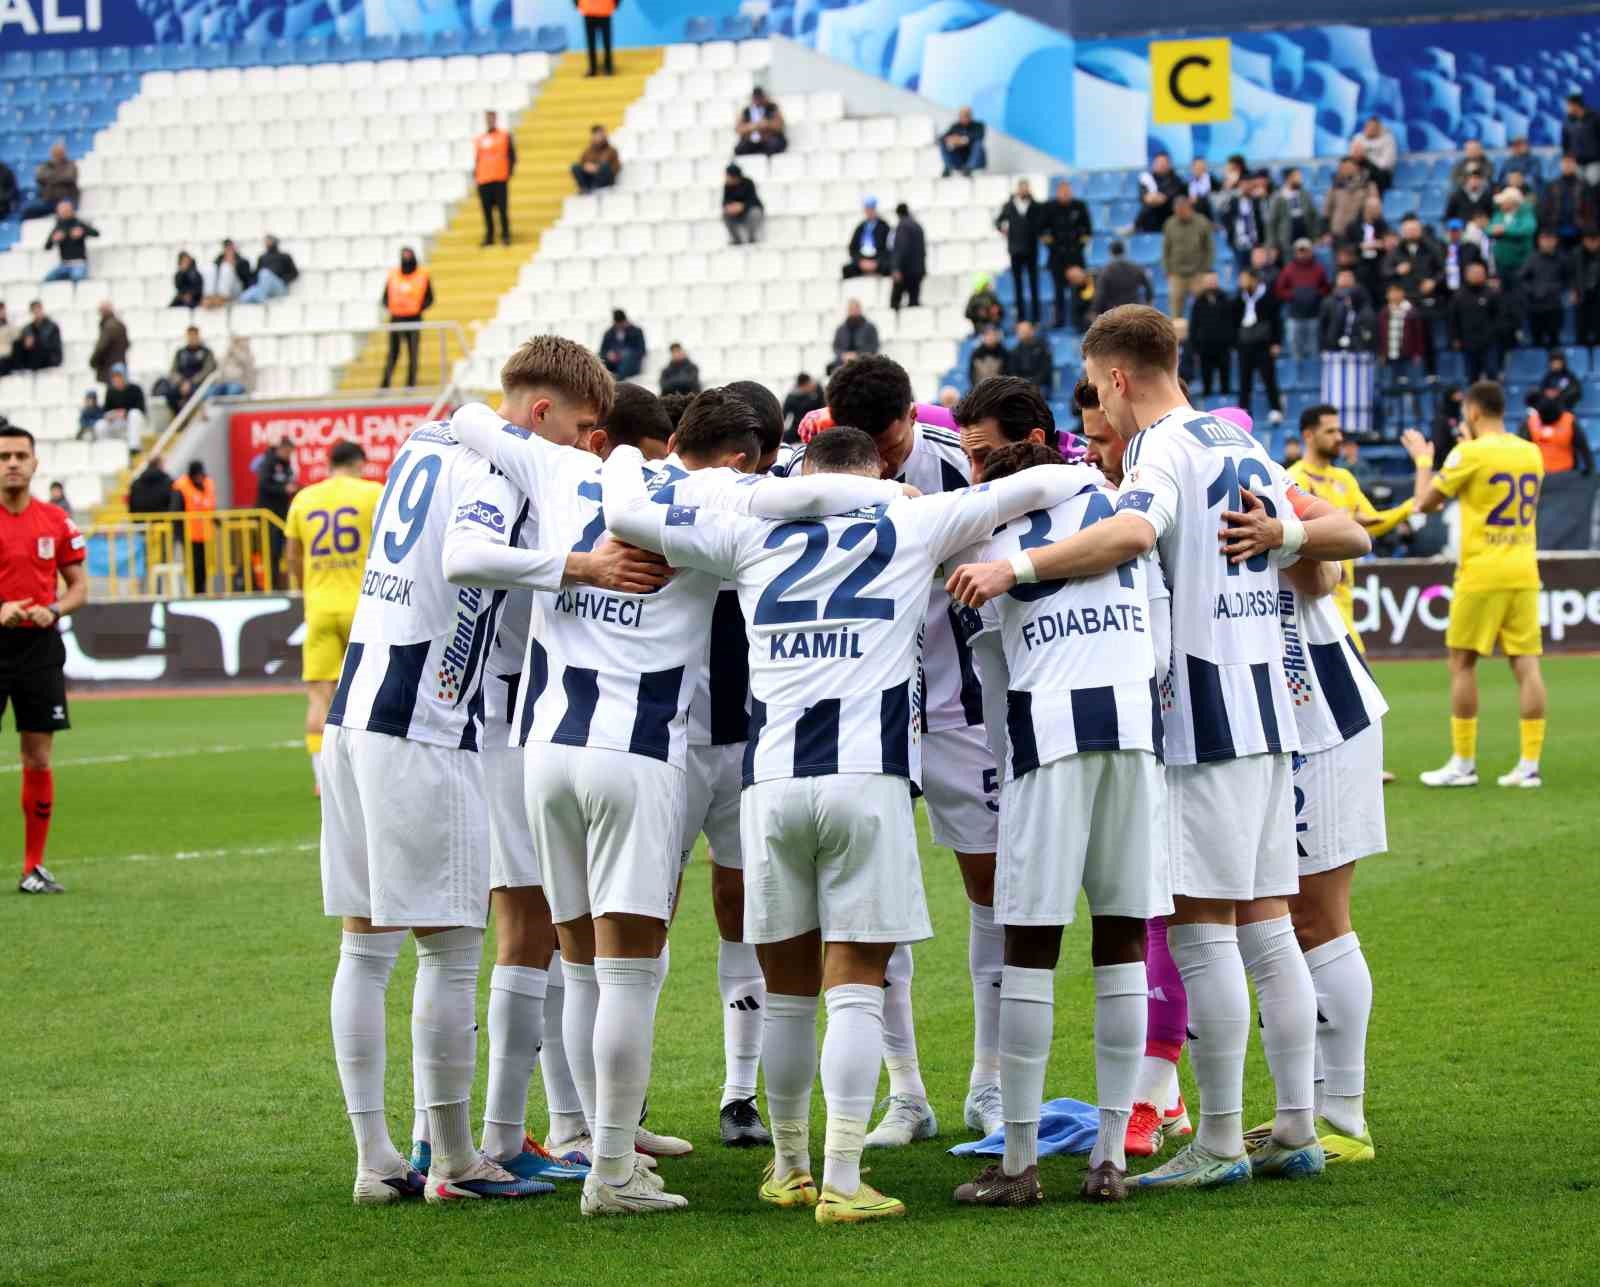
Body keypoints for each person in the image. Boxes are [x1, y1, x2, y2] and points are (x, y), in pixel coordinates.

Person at [602, 424, 1084, 1222]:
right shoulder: (911, 518)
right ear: (874, 472)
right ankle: (844, 1175)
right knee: (855, 981)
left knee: (788, 990)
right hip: (868, 776)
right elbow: (1044, 486)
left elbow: (626, 514)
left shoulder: (747, 527)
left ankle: (790, 1165)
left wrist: (621, 452)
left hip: (772, 780)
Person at [453, 374, 903, 1215]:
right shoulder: (726, 498)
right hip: (638, 752)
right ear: (741, 453)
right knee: (628, 972)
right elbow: (826, 502)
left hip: (544, 748)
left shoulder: (565, 469)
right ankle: (611, 1169)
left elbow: (474, 419)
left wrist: (583, 516)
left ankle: (589, 1134)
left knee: (580, 959)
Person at [945, 304, 1370, 1193]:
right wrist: (1286, 535)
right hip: (1267, 715)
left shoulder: (1162, 448)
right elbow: (1346, 536)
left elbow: (1134, 533)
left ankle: (1217, 1139)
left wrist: (1017, 567)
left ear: (1114, 378)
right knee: (1264, 924)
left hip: (1199, 715)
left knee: (1205, 929)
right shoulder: (1237, 439)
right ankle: (1296, 1123)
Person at [320, 392, 579, 1210]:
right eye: (572, 435)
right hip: (423, 725)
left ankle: (376, 1157)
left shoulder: (422, 445)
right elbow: (468, 556)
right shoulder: (497, 467)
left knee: (364, 949)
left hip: (352, 712)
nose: (573, 452)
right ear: (540, 414)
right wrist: (577, 565)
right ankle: (457, 1157)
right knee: (451, 949)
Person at [948, 436, 1170, 1206]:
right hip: (1136, 736)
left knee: (1031, 943)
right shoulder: (1113, 511)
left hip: (1050, 739)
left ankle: (1017, 1163)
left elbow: (994, 682)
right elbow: (1159, 644)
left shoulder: (991, 544)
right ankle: (1110, 1156)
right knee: (1121, 938)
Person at [1402, 381, 1547, 789]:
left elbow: (1425, 504)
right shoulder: (1530, 452)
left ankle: (1463, 764)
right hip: (1523, 567)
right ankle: (1529, 766)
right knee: (1527, 664)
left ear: (1473, 412)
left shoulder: (1469, 453)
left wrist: (1423, 462)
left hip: (1482, 571)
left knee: (1462, 663)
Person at [0, 424, 87, 895]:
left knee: (37, 756)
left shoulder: (56, 522)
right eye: (4, 456)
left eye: (20, 455)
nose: (12, 463)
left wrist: (50, 608)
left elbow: (79, 588)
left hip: (39, 647)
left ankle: (33, 867)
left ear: (35, 463)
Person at [284, 441, 383, 795]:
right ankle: (368, 775)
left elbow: (293, 555)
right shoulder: (373, 493)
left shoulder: (304, 499)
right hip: (366, 606)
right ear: (358, 463)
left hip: (321, 607)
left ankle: (322, 778)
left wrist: (308, 588)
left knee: (319, 698)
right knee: (371, 692)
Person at [1288, 405, 1413, 646]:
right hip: (1317, 599)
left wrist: (1410, 507)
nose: (1339, 437)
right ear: (1308, 436)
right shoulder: (1294, 480)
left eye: (1339, 431)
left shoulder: (1344, 478)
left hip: (1345, 596)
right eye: (1330, 431)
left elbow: (1371, 524)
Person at [1234, 268, 1284, 426]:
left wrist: (1276, 342)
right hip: (1245, 344)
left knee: (1269, 378)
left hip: (1264, 344)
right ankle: (1244, 412)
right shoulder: (1239, 298)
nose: (1241, 282)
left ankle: (1276, 409)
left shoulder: (1269, 297)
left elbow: (1277, 321)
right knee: (1244, 380)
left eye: (1244, 278)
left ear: (1254, 279)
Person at [1041, 179, 1092, 330]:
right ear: (1057, 193)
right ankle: (1059, 320)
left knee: (1079, 290)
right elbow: (1043, 232)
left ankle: (1079, 320)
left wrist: (1078, 249)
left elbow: (1088, 230)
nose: (1065, 194)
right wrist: (1056, 250)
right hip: (1057, 258)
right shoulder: (1049, 207)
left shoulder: (1079, 206)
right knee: (1058, 291)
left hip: (1076, 257)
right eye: (1062, 192)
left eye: (1067, 191)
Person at [380, 247, 431, 389]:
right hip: (396, 319)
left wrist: (417, 308)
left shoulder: (422, 275)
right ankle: (385, 384)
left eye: (409, 255)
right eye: (404, 255)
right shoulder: (393, 275)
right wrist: (393, 307)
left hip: (414, 319)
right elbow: (385, 297)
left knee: (413, 352)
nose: (406, 258)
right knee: (393, 352)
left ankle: (410, 383)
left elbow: (429, 298)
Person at [993, 181, 1043, 327]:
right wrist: (1003, 230)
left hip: (1031, 249)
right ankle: (1021, 317)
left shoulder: (1035, 205)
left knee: (1034, 284)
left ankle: (1035, 317)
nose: (1024, 190)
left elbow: (1041, 222)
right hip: (1015, 250)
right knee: (1018, 284)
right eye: (1022, 188)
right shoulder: (1009, 205)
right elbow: (998, 222)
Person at [1448, 260, 1505, 383]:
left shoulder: (1492, 294)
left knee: (1492, 372)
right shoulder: (1459, 296)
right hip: (1468, 342)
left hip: (1489, 342)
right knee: (1471, 375)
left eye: (1480, 272)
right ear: (1466, 275)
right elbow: (1453, 319)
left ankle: (1493, 400)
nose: (1477, 275)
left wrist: (1494, 334)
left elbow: (1499, 317)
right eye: (1474, 273)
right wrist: (1455, 338)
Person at [1274, 237, 1332, 360]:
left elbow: (1326, 288)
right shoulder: (1288, 269)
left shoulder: (1318, 269)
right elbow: (1279, 290)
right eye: (1300, 251)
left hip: (1313, 315)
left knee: (1314, 350)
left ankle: (1313, 377)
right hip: (1294, 316)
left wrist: (1315, 294)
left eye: (1305, 250)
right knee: (1295, 352)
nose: (1303, 254)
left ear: (1311, 251)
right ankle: (1296, 378)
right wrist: (1294, 295)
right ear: (1295, 252)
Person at [1161, 194, 1214, 321]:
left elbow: (1209, 248)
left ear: (1189, 208)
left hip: (1197, 273)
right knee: (1175, 310)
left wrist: (1206, 269)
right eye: (1177, 211)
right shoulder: (1169, 224)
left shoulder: (1202, 222)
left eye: (1182, 211)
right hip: (1177, 274)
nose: (1179, 214)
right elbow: (1166, 248)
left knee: (1202, 308)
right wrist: (1167, 269)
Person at [1520, 229, 1574, 349]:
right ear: (1539, 241)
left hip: (1554, 305)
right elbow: (1522, 278)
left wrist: (1557, 289)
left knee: (1554, 340)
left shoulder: (1562, 259)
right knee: (1536, 341)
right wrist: (1532, 290)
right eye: (1544, 239)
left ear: (1556, 241)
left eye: (1550, 239)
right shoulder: (1532, 258)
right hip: (1535, 306)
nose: (1547, 242)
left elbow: (1569, 278)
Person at [256, 436, 297, 587]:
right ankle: (271, 585)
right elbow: (264, 485)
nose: (289, 455)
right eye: (288, 451)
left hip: (282, 514)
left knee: (281, 552)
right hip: (269, 515)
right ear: (282, 449)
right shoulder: (268, 462)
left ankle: (280, 583)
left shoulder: (287, 465)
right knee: (271, 552)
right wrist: (283, 489)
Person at [172, 460, 216, 595]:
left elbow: (209, 507)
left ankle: (202, 591)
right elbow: (176, 512)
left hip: (205, 534)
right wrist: (179, 534)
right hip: (189, 535)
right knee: (192, 567)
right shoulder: (181, 487)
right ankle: (194, 592)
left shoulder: (208, 484)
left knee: (204, 566)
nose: (200, 478)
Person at [1522, 394, 1594, 478]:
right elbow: (1522, 448)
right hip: (1540, 475)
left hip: (1566, 474)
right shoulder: (1531, 422)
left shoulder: (1569, 421)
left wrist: (1590, 469)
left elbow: (1584, 448)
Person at [1188, 272, 1236, 396]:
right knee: (1206, 376)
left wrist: (1231, 341)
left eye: (1213, 280)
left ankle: (1226, 397)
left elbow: (1232, 322)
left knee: (1225, 375)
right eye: (1209, 280)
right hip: (1205, 346)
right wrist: (1195, 345)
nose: (1211, 283)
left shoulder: (1226, 299)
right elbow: (1194, 325)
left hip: (1223, 345)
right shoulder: (1198, 302)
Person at [474, 112, 516, 247]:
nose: (489, 120)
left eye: (491, 118)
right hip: (484, 178)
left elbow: (511, 155)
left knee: (502, 209)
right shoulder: (480, 138)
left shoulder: (504, 135)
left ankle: (505, 235)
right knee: (486, 210)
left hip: (499, 177)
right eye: (487, 118)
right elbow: (478, 158)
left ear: (495, 118)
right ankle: (489, 236)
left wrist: (508, 173)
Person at [1538, 154, 1597, 250]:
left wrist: (1587, 227)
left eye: (1570, 162)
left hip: (1579, 231)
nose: (1567, 165)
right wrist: (1548, 228)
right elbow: (1544, 208)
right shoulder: (1552, 186)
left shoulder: (1584, 185)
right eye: (1565, 162)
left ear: (1575, 165)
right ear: (1560, 165)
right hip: (1556, 230)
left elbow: (1590, 209)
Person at [1267, 167, 1322, 261]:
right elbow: (1272, 222)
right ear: (1289, 178)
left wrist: (1316, 235)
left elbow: (1314, 215)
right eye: (1297, 176)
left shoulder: (1305, 194)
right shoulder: (1278, 197)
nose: (1300, 179)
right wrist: (1273, 245)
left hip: (1306, 235)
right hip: (1287, 238)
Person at [1377, 281, 1426, 385]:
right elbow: (1380, 335)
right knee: (1390, 386)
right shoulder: (1384, 313)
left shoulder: (1412, 312)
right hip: (1389, 355)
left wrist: (1417, 353)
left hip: (1408, 355)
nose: (1394, 295)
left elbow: (1419, 335)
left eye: (1396, 292)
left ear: (1402, 293)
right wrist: (1382, 353)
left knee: (1412, 385)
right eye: (1391, 292)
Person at [161, 325, 215, 413]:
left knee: (196, 395)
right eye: (190, 336)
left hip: (198, 384)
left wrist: (191, 382)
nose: (192, 338)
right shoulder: (180, 353)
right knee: (169, 393)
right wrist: (181, 382)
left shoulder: (206, 352)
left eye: (194, 336)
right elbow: (173, 371)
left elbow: (207, 370)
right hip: (181, 384)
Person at [1488, 187, 1536, 282]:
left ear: (1512, 202)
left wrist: (1505, 230)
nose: (1500, 204)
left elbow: (1527, 229)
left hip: (1520, 262)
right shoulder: (1498, 214)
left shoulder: (1526, 214)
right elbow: (1490, 228)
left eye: (1504, 201)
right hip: (1501, 262)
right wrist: (1492, 230)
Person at [19, 141, 78, 220]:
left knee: (64, 210)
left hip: (65, 199)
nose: (57, 154)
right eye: (55, 152)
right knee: (27, 210)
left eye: (59, 152)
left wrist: (49, 177)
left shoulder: (70, 165)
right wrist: (57, 177)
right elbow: (39, 177)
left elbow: (68, 177)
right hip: (48, 200)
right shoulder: (46, 165)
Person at [42, 200, 97, 283]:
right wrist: (53, 240)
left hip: (79, 263)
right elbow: (47, 247)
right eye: (62, 210)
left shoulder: (78, 223)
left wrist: (83, 232)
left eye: (66, 209)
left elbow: (96, 233)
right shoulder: (58, 227)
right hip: (64, 264)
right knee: (47, 280)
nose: (64, 212)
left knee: (77, 279)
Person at [1093, 240, 1152, 317]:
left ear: (1110, 252)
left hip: (1114, 312)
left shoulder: (1106, 271)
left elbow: (1100, 295)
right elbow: (1149, 286)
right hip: (1134, 311)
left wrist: (1095, 310)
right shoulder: (1136, 267)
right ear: (1125, 251)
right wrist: (1148, 302)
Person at [1321, 159, 1370, 247]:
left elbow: (1370, 210)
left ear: (1356, 168)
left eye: (1348, 166)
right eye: (1343, 167)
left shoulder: (1366, 186)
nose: (1346, 169)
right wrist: (1326, 232)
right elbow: (1326, 212)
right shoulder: (1335, 187)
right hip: (1337, 233)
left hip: (1357, 232)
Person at [98, 365, 148, 450]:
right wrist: (110, 415)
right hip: (119, 421)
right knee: (100, 425)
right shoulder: (110, 391)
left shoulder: (135, 389)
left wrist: (125, 413)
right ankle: (107, 449)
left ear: (124, 376)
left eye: (119, 376)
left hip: (135, 421)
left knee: (134, 414)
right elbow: (106, 410)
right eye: (114, 377)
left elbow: (141, 409)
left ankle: (134, 448)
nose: (116, 379)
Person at [239, 235, 299, 303]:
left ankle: (261, 299)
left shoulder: (284, 256)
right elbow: (256, 274)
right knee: (244, 297)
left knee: (265, 273)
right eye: (266, 241)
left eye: (269, 241)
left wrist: (284, 280)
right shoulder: (262, 257)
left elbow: (294, 273)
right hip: (263, 287)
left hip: (279, 287)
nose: (267, 243)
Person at [889, 203, 926, 312]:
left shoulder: (902, 227)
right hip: (918, 271)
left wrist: (896, 268)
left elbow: (901, 248)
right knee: (914, 303)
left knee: (894, 303)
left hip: (906, 271)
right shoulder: (918, 226)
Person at [843, 198, 891, 279]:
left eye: (871, 209)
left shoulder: (884, 227)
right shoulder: (860, 227)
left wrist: (876, 262)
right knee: (847, 269)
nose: (869, 212)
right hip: (862, 260)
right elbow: (853, 248)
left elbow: (888, 247)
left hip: (878, 260)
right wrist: (860, 261)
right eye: (867, 209)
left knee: (888, 268)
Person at [1135, 152, 1183, 232]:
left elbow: (1165, 198)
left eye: (1163, 163)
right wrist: (1152, 198)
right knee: (1148, 208)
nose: (1161, 165)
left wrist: (1154, 198)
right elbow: (1145, 198)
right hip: (1150, 219)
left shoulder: (1176, 180)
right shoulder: (1147, 179)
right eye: (1159, 162)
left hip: (1169, 215)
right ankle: (1136, 227)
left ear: (1169, 164)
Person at [9, 301, 62, 374]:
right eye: (34, 310)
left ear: (42, 309)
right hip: (34, 355)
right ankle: (18, 369)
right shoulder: (28, 328)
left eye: (38, 309)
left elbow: (53, 345)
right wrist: (26, 343)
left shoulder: (52, 326)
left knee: (38, 347)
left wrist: (35, 341)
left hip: (49, 356)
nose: (36, 312)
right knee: (17, 344)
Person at [829, 299, 879, 372]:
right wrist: (843, 355)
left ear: (860, 309)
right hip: (843, 362)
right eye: (851, 309)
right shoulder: (841, 328)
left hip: (864, 361)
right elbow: (836, 347)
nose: (853, 311)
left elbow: (874, 346)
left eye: (855, 308)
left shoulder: (870, 328)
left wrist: (857, 355)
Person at [734, 87, 786, 156]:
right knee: (740, 148)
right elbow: (739, 129)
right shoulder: (746, 111)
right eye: (756, 98)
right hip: (751, 141)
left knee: (774, 145)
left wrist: (767, 124)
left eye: (760, 97)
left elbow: (779, 125)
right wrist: (752, 126)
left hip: (768, 140)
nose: (758, 100)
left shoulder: (772, 108)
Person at [1562, 93, 1600, 185]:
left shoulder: (1594, 118)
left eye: (1569, 105)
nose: (1567, 108)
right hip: (1576, 163)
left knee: (1593, 189)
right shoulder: (1567, 121)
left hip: (1594, 162)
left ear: (1576, 105)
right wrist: (1568, 158)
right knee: (1579, 190)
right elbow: (1565, 143)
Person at [1007, 319, 1053, 395]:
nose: (1023, 333)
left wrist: (1033, 383)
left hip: (1039, 384)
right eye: (1020, 331)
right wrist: (1021, 383)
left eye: (1025, 330)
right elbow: (1012, 371)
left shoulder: (1042, 349)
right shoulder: (1014, 351)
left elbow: (1045, 370)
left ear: (1032, 331)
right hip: (1019, 384)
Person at [722, 164, 764, 245]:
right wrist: (730, 208)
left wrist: (742, 206)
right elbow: (725, 202)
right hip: (735, 214)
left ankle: (752, 237)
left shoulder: (748, 183)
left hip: (748, 212)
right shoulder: (727, 186)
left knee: (756, 212)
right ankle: (736, 239)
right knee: (725, 214)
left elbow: (754, 201)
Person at [202, 239, 251, 308]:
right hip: (218, 290)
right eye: (226, 247)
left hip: (237, 289)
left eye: (230, 247)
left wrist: (234, 267)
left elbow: (246, 280)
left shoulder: (243, 261)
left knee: (226, 267)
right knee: (210, 267)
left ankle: (222, 297)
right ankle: (209, 296)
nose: (228, 249)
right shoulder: (218, 260)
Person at [88, 300, 128, 385]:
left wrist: (93, 361)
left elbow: (101, 347)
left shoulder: (109, 326)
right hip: (120, 365)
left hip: (108, 367)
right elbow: (127, 344)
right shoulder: (119, 324)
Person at [571, 126, 621, 193]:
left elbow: (616, 168)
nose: (598, 137)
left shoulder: (611, 150)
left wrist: (597, 168)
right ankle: (585, 187)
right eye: (596, 134)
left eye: (600, 134)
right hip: (591, 177)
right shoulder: (587, 151)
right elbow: (582, 163)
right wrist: (586, 167)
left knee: (604, 167)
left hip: (605, 180)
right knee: (575, 167)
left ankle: (595, 187)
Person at [598, 308, 645, 379]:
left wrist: (622, 355)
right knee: (600, 357)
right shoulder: (609, 333)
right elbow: (602, 350)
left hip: (629, 364)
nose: (619, 326)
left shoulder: (636, 332)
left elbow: (641, 350)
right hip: (612, 364)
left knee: (627, 354)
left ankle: (618, 377)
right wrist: (608, 354)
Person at [939, 106, 986, 176]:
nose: (964, 117)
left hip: (975, 160)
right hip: (959, 159)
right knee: (943, 144)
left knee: (978, 144)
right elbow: (942, 138)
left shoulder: (978, 126)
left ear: (970, 116)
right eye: (962, 115)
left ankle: (969, 168)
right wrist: (951, 139)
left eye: (966, 115)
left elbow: (979, 136)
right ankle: (948, 167)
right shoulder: (955, 126)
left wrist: (963, 140)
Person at [1354, 116, 1396, 189]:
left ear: (1378, 128)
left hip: (1382, 175)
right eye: (1367, 127)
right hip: (1361, 172)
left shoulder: (1388, 139)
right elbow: (1353, 156)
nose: (1369, 129)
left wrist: (1366, 158)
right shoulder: (1359, 137)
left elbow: (1384, 164)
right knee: (1345, 164)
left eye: (1373, 127)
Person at [577, 0, 615, 76]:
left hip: (605, 10)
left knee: (606, 42)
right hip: (589, 10)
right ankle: (593, 68)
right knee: (591, 42)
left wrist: (613, 4)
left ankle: (608, 67)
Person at [782, 373, 825, 441]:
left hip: (815, 428)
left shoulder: (816, 394)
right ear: (803, 385)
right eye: (808, 384)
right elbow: (783, 415)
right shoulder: (792, 397)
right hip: (798, 429)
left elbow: (823, 406)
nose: (811, 385)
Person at [1580, 227, 1600, 348]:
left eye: (1595, 240)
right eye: (1589, 240)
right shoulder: (1577, 254)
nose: (1592, 243)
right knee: (1582, 326)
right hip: (1583, 295)